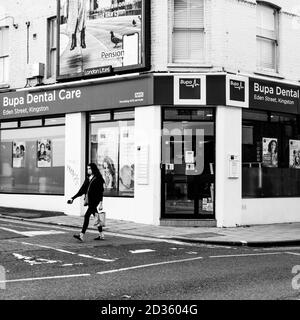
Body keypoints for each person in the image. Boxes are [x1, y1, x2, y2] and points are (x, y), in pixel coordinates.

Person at [67, 163, 105, 242]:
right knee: (96, 217)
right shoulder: (88, 178)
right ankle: (101, 235)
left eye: (89, 169)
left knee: (87, 216)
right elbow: (82, 190)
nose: (88, 170)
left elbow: (101, 192)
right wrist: (73, 198)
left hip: (95, 200)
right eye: (87, 169)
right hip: (90, 200)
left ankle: (81, 235)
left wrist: (101, 203)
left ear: (93, 169)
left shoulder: (98, 178)